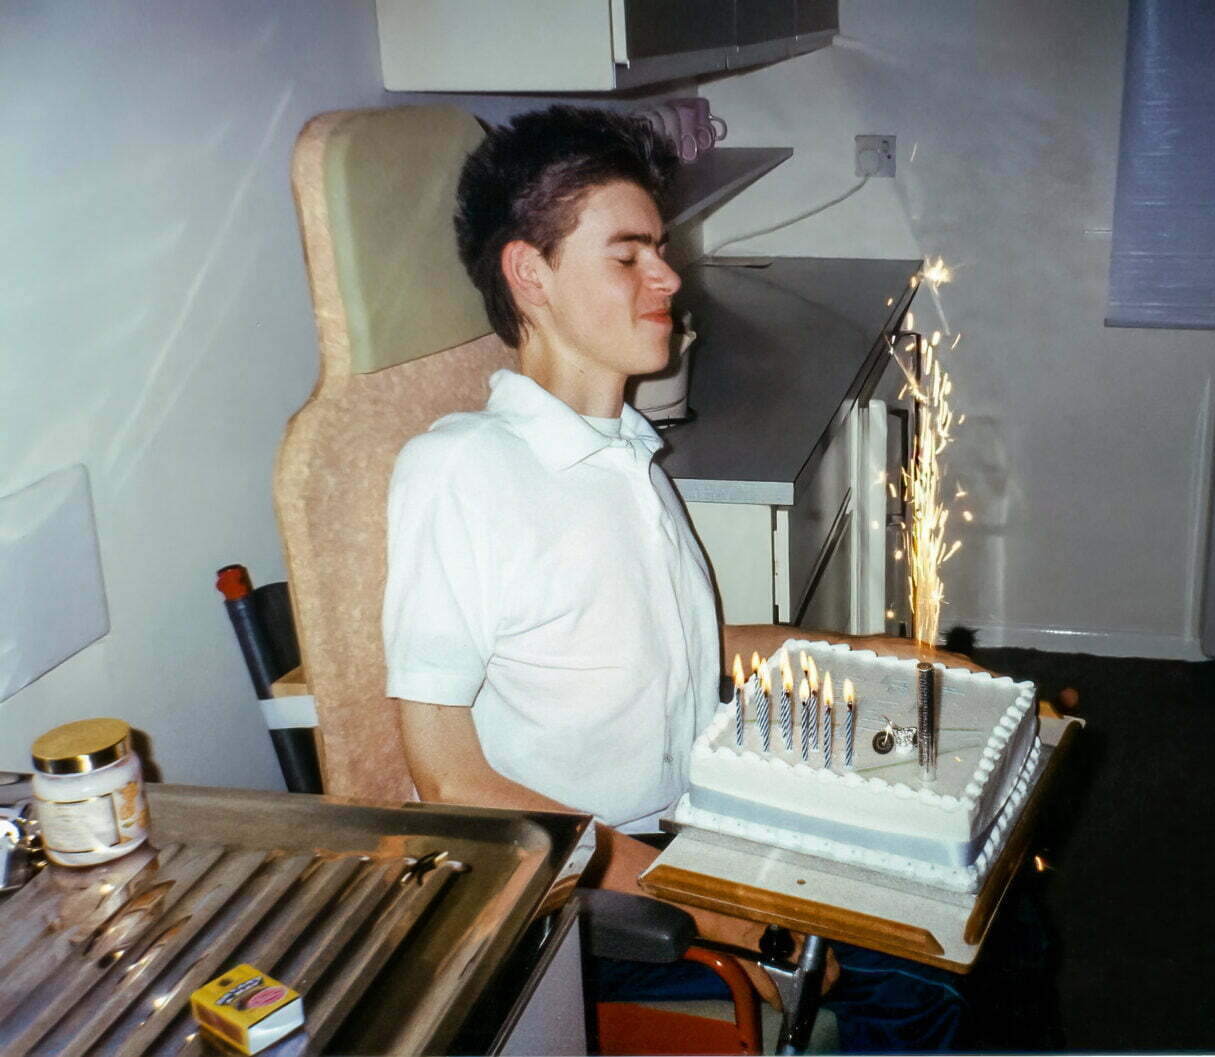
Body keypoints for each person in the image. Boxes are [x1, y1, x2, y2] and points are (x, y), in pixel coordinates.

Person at [382, 105, 974, 1051]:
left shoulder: (623, 454)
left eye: (659, 248)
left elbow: (674, 652)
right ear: (530, 274)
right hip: (571, 895)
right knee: (922, 964)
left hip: (690, 824)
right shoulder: (463, 471)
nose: (668, 277)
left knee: (983, 892)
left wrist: (867, 653)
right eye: (628, 256)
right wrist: (706, 901)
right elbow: (446, 772)